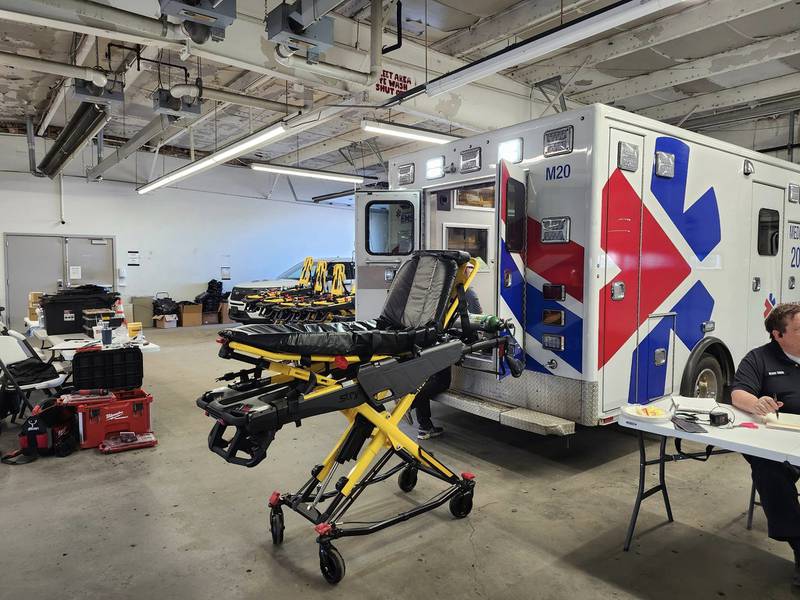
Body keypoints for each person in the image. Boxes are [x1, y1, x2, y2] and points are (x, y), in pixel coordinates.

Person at [731, 302, 800, 585]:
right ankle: (799, 543)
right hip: (775, 442)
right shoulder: (759, 359)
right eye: (799, 329)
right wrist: (757, 403)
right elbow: (738, 394)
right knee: (768, 470)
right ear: (777, 334)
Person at [412, 285, 483, 440]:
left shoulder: (438, 286)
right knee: (441, 382)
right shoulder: (466, 290)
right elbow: (478, 314)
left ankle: (424, 425)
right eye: (468, 268)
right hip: (443, 342)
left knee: (427, 381)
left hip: (427, 338)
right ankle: (412, 400)